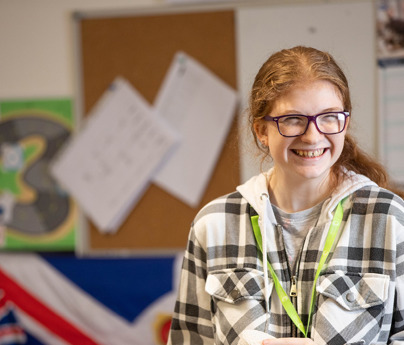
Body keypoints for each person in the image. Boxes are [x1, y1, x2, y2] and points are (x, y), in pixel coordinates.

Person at [167, 46, 404, 345]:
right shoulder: (213, 225)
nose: (313, 136)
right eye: (293, 119)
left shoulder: (389, 220)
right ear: (261, 131)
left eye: (329, 117)